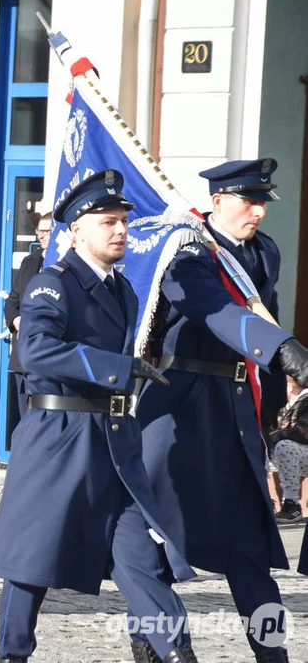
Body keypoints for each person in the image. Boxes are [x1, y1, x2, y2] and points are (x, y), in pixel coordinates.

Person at [0, 169, 198, 663]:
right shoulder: (52, 284)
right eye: (109, 221)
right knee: (30, 565)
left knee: (142, 561)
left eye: (124, 220)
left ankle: (178, 654)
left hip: (113, 443)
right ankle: (11, 655)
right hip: (58, 440)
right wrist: (116, 368)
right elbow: (35, 350)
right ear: (77, 231)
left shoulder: (123, 290)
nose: (121, 229)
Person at [135, 158, 308, 662]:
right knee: (160, 547)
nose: (258, 212)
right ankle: (151, 644)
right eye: (248, 201)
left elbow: (262, 312)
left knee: (250, 549)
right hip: (179, 408)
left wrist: (277, 405)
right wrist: (281, 348)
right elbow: (219, 312)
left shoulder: (265, 253)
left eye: (263, 202)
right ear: (217, 202)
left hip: (236, 410)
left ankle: (272, 653)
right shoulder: (185, 253)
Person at [2, 211, 51, 444]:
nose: (42, 235)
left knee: (44, 421)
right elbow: (12, 300)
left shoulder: (66, 263)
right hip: (23, 355)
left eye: (47, 231)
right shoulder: (30, 262)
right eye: (40, 230)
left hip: (49, 356)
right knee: (25, 417)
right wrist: (16, 319)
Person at [269, 377, 308, 523]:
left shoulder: (306, 398)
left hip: (300, 451)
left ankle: (292, 505)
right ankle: (267, 501)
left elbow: (303, 432)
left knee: (285, 447)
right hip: (295, 453)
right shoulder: (284, 401)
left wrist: (272, 438)